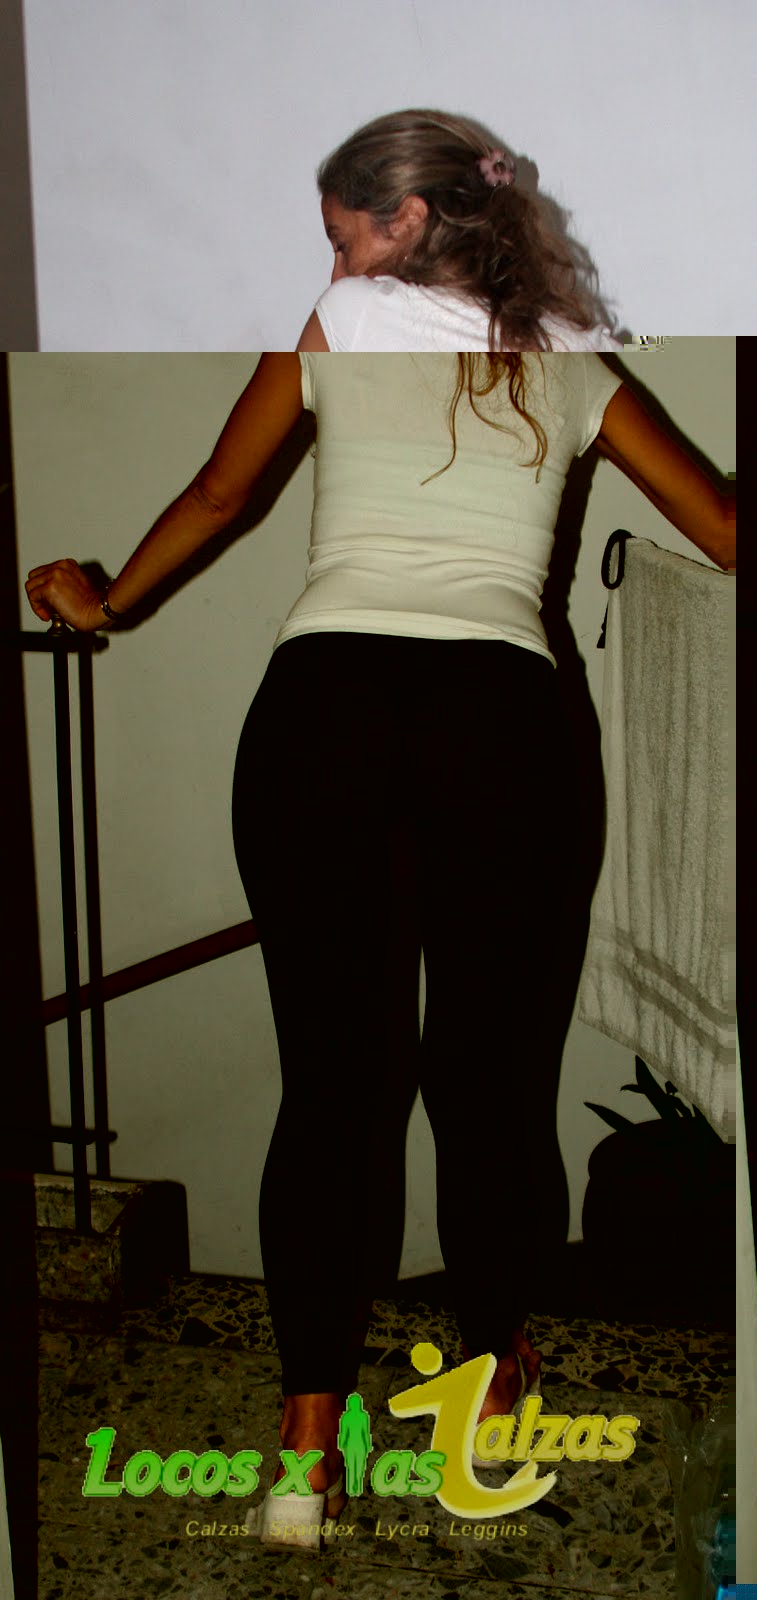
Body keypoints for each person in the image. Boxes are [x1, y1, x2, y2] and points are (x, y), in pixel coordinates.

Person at [25, 352, 735, 1548]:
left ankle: (306, 1452)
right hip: (499, 728)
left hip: (321, 716)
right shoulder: (563, 353)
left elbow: (218, 494)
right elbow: (723, 530)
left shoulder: (334, 325)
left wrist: (109, 598)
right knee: (488, 1087)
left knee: (330, 1091)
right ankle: (489, 1397)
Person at [297, 109, 621, 353]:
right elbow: (634, 348)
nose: (336, 277)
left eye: (343, 245)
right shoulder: (577, 344)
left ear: (409, 219)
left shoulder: (354, 312)